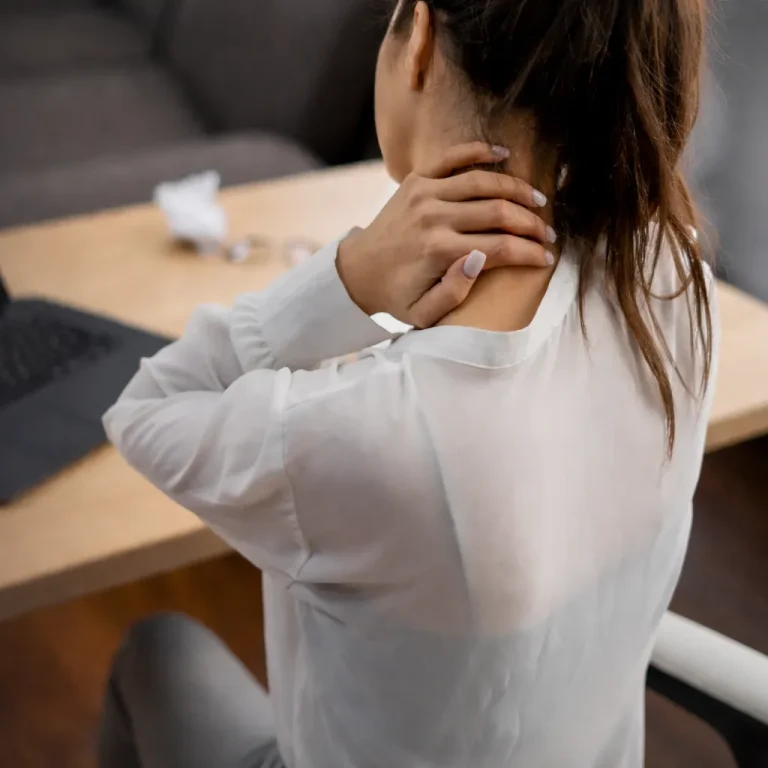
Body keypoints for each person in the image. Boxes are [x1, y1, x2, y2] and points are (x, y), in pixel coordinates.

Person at [99, 0, 718, 766]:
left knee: (156, 652)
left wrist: (347, 279)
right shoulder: (672, 278)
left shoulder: (369, 436)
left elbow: (145, 410)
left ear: (417, 38)